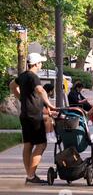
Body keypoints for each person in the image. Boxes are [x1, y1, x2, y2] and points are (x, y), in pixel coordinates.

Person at [9, 53, 57, 184]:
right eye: (40, 62)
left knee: (28, 144)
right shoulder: (33, 77)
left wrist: (21, 98)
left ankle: (29, 174)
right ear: (35, 64)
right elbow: (40, 90)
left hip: (25, 114)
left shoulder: (23, 76)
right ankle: (31, 175)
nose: (41, 64)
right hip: (34, 115)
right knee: (42, 144)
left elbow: (12, 86)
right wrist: (49, 104)